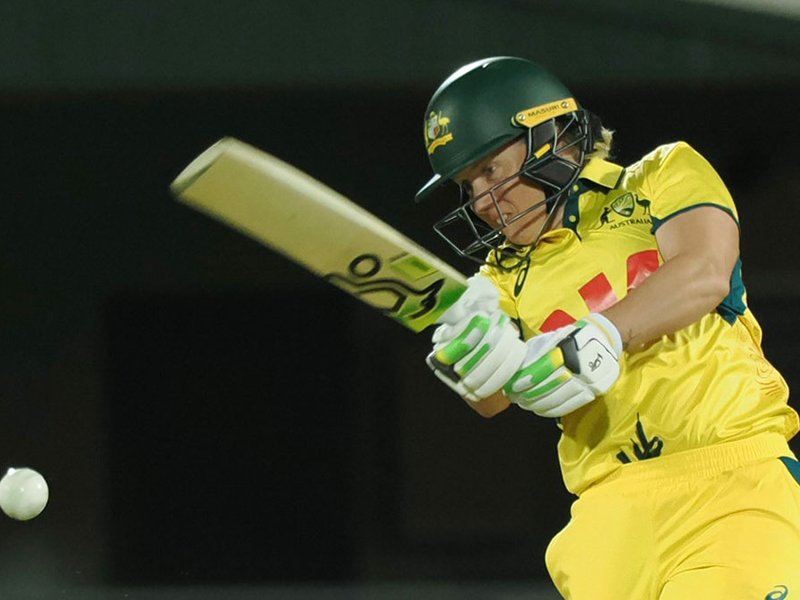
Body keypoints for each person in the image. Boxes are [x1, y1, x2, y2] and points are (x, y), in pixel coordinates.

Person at [415, 56, 800, 599]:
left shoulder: (662, 175)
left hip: (730, 484)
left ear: (547, 132)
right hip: (605, 519)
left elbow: (705, 270)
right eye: (467, 184)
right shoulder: (497, 277)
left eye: (490, 170)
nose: (481, 201)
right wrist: (472, 361)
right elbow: (493, 398)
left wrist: (606, 333)